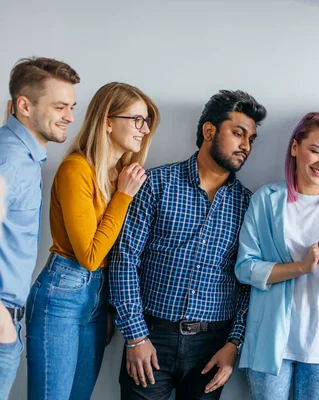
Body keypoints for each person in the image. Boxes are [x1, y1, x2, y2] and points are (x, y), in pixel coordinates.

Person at [110, 90, 267, 399]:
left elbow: (248, 281)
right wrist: (135, 337)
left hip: (211, 348)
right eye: (238, 134)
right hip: (151, 337)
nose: (246, 146)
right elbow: (124, 258)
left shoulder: (249, 205)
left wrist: (233, 344)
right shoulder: (156, 184)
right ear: (209, 131)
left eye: (251, 139)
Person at [25, 82, 159, 400]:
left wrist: (109, 307)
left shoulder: (122, 174)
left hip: (98, 298)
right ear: (108, 121)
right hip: (62, 294)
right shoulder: (76, 169)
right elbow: (89, 254)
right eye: (136, 119)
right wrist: (123, 197)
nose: (144, 129)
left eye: (147, 121)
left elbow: (118, 252)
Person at [234, 111, 319, 400]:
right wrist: (300, 267)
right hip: (269, 339)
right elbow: (245, 267)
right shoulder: (265, 200)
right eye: (315, 150)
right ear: (294, 148)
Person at [0, 57, 79, 399]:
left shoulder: (19, 152)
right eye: (60, 106)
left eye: (71, 107)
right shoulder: (11, 161)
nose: (70, 117)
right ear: (24, 106)